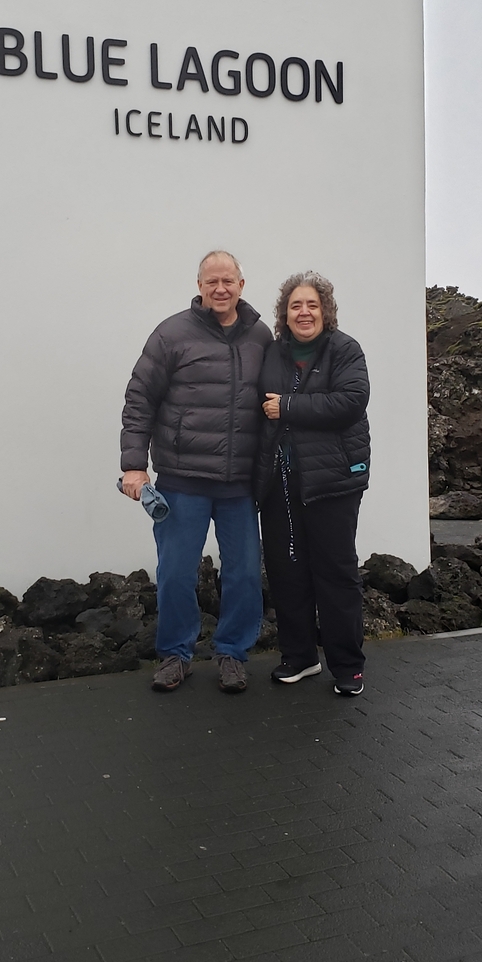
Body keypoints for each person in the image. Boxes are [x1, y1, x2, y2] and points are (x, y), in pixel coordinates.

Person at [121, 251, 272, 693]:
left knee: (244, 573)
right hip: (182, 479)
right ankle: (175, 654)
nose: (220, 289)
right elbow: (139, 400)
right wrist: (134, 464)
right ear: (200, 286)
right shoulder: (171, 334)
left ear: (242, 284)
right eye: (212, 282)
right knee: (176, 574)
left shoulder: (261, 336)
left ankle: (232, 653)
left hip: (239, 484)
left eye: (228, 281)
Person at [254, 271, 370, 695]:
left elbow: (350, 402)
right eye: (295, 306)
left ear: (325, 311)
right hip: (280, 483)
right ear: (284, 314)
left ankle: (347, 666)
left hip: (333, 482)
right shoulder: (272, 353)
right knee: (287, 571)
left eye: (312, 305)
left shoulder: (344, 350)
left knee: (335, 573)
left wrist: (287, 406)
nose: (304, 312)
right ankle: (300, 657)